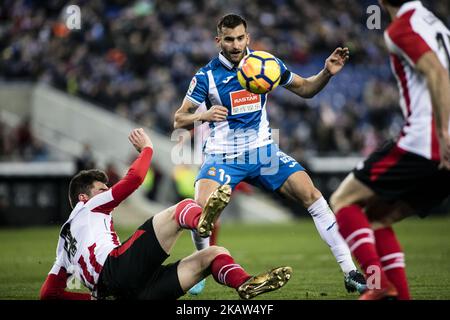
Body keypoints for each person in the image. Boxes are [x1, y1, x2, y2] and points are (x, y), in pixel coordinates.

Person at [174, 13, 366, 294]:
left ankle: (350, 271)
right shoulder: (206, 76)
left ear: (248, 37)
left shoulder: (267, 64)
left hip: (263, 152)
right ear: (218, 41)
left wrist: (326, 72)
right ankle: (201, 265)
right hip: (222, 156)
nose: (236, 44)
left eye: (241, 38)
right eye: (229, 39)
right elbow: (179, 118)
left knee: (312, 195)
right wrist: (203, 115)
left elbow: (305, 89)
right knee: (202, 212)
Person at [39, 128, 292, 300]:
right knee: (180, 209)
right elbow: (135, 177)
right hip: (116, 269)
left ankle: (245, 282)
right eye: (101, 189)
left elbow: (48, 294)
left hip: (124, 292)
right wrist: (147, 148)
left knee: (215, 254)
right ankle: (200, 220)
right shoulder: (89, 206)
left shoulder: (63, 242)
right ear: (83, 197)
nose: (107, 191)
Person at [330, 0, 450, 300]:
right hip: (439, 148)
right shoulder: (435, 23)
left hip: (425, 142)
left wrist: (443, 132)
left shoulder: (401, 28)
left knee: (343, 200)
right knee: (376, 218)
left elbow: (436, 71)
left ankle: (377, 282)